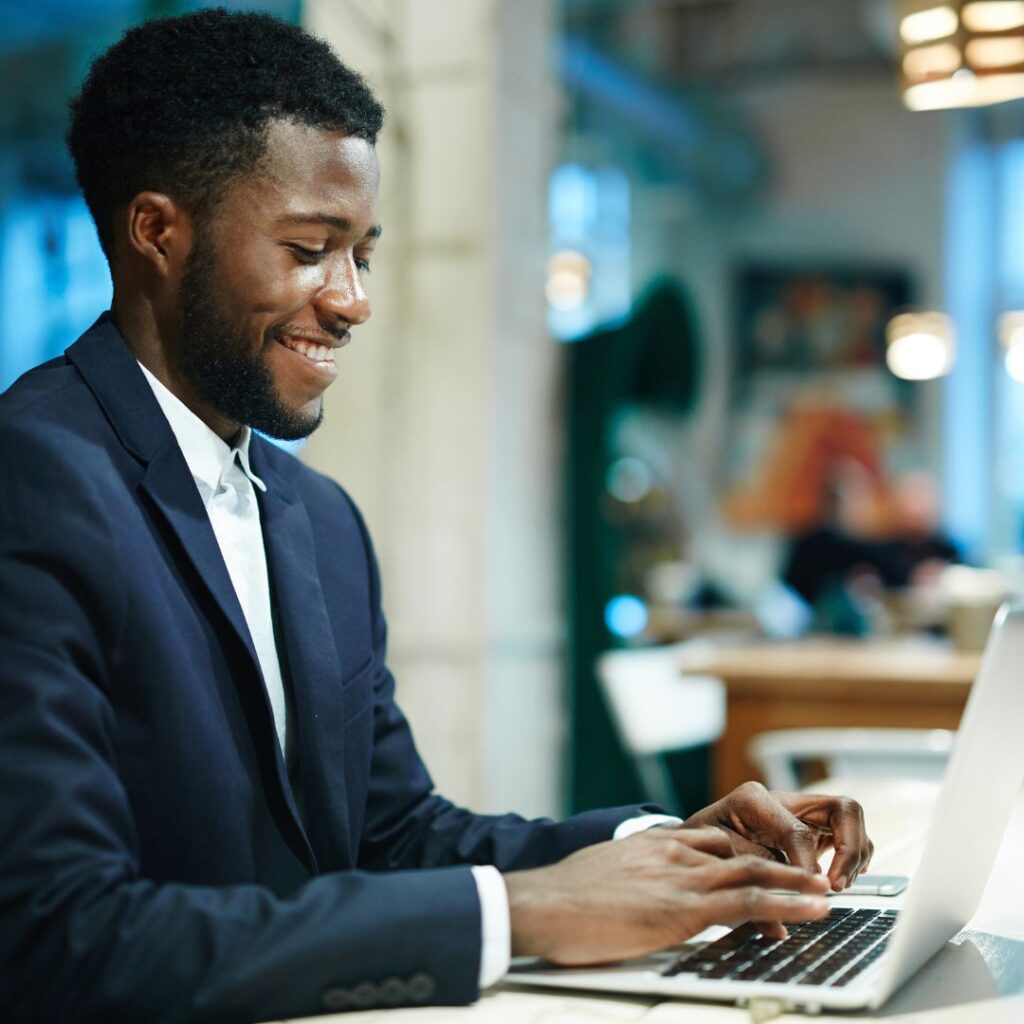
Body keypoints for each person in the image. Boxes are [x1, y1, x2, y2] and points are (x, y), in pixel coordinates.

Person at [0, 11, 872, 1022]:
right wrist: (517, 914)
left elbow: (394, 835)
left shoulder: (316, 520)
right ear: (158, 232)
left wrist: (671, 848)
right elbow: (57, 936)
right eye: (308, 249)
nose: (353, 298)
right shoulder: (33, 479)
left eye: (361, 251)